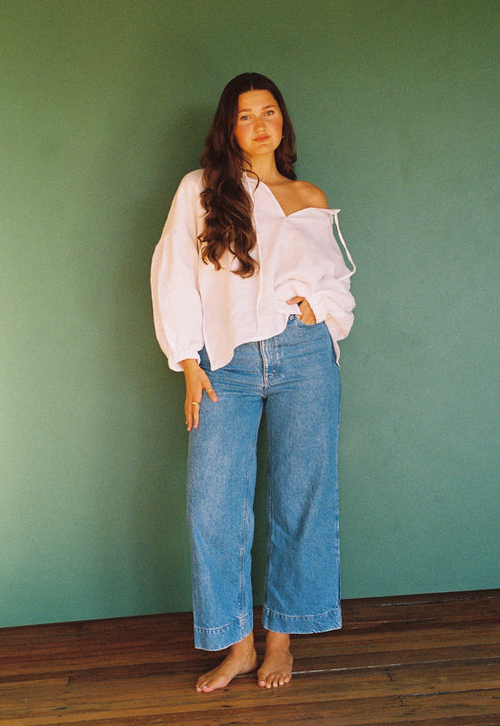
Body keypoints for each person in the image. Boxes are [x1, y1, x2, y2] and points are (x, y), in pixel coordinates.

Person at [151, 72, 355, 693]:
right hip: (226, 361)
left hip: (304, 355)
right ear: (229, 127)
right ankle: (237, 645)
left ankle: (282, 640)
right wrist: (187, 360)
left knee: (303, 498)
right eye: (245, 115)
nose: (260, 124)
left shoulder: (308, 194)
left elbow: (336, 281)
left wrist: (319, 310)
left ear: (282, 122)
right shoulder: (201, 188)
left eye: (269, 112)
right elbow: (173, 270)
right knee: (213, 504)